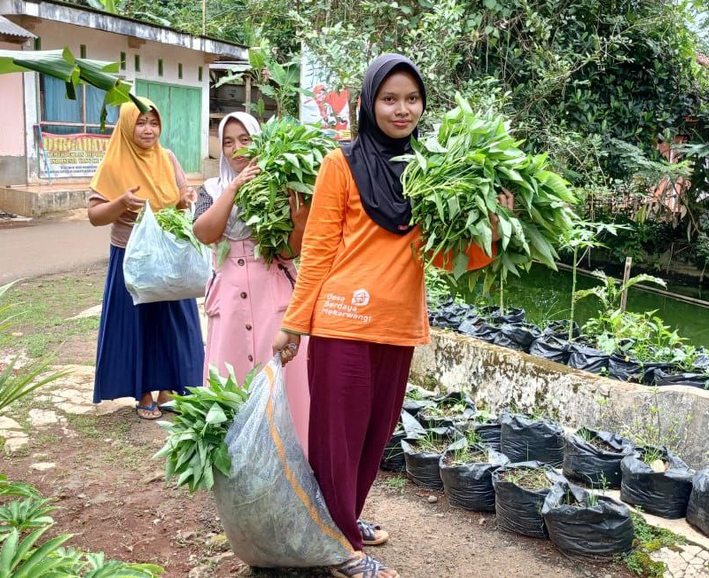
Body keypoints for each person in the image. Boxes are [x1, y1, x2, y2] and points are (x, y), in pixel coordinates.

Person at [272, 54, 513, 578]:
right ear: (368, 103)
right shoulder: (341, 163)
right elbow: (318, 249)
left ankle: (343, 521)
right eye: (389, 99)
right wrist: (294, 322)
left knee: (373, 436)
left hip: (397, 325)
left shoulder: (431, 170)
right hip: (342, 321)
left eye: (411, 99)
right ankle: (339, 549)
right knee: (338, 440)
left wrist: (493, 226)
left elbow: (444, 257)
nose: (401, 109)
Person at [193, 112, 311, 450]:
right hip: (229, 299)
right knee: (231, 379)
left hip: (272, 295)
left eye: (245, 139)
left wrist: (299, 221)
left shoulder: (280, 185)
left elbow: (289, 250)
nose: (237, 149)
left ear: (259, 141)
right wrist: (234, 187)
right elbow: (204, 232)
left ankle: (290, 460)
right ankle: (237, 463)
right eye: (228, 142)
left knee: (282, 379)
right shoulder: (211, 189)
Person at [87, 97, 204, 420]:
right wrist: (121, 203)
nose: (148, 129)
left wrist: (186, 199)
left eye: (154, 123)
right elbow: (94, 215)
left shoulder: (167, 158)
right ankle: (143, 391)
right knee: (138, 325)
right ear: (127, 126)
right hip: (132, 254)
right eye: (140, 123)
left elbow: (181, 197)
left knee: (171, 322)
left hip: (168, 253)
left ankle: (169, 387)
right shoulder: (114, 163)